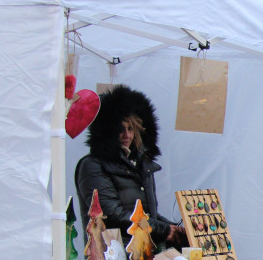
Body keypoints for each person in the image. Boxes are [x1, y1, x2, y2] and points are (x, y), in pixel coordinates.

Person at [76, 85, 187, 248]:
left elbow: (149, 215)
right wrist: (164, 229)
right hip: (114, 256)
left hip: (145, 253)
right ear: (108, 131)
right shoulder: (92, 166)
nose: (126, 135)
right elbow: (111, 214)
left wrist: (173, 229)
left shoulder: (142, 165)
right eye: (119, 129)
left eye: (130, 128)